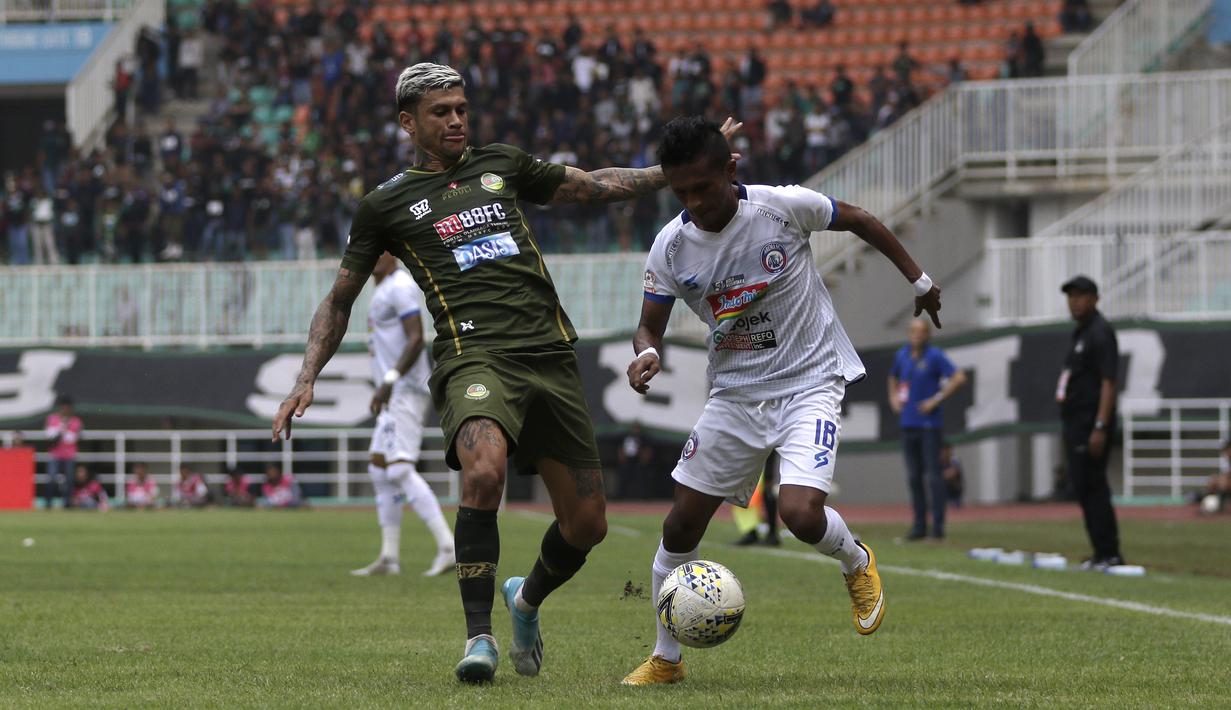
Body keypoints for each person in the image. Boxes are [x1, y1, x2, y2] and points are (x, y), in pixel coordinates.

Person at [270, 62, 739, 684]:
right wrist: (307, 376)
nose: (457, 119)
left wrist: (677, 173)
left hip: (549, 354)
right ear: (408, 122)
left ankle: (524, 601)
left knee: (588, 525)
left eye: (462, 107)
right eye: (441, 111)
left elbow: (593, 185)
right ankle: (479, 639)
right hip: (474, 357)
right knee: (483, 471)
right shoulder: (387, 203)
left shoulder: (503, 164)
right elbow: (339, 299)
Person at [622, 116, 943, 685]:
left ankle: (856, 561)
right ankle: (666, 659)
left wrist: (918, 282)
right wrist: (646, 353)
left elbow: (861, 220)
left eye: (704, 186)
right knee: (680, 528)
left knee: (798, 513)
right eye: (682, 192)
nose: (695, 201)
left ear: (731, 168)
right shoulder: (670, 247)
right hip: (735, 394)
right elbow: (649, 326)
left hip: (810, 382)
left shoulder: (781, 207)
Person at [351, 251, 455, 578]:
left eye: (382, 247)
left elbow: (415, 339)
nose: (376, 254)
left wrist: (389, 381)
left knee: (398, 470)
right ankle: (390, 557)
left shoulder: (400, 286)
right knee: (379, 468)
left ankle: (448, 547)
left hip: (405, 390)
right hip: (392, 392)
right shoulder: (381, 289)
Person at [1056, 275, 1124, 569]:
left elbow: (1109, 382)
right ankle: (1099, 551)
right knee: (1083, 487)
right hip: (1076, 422)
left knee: (1094, 486)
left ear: (1095, 299)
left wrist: (1100, 426)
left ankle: (1110, 552)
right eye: (1071, 296)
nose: (1075, 302)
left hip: (1090, 423)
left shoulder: (1100, 332)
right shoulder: (1081, 333)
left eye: (1080, 296)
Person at [888, 319, 967, 540]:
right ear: (908, 333)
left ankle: (938, 527)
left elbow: (959, 378)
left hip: (929, 426)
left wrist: (936, 399)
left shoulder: (935, 356)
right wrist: (893, 397)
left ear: (928, 335)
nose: (917, 335)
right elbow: (892, 377)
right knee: (914, 477)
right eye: (913, 331)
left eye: (922, 331)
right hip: (908, 424)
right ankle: (919, 526)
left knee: (934, 477)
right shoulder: (901, 355)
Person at [44, 395, 82, 509]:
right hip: (55, 454)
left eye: (68, 407)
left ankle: (67, 503)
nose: (65, 410)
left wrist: (63, 430)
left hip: (69, 454)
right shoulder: (52, 419)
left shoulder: (76, 421)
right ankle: (48, 503)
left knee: (69, 480)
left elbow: (72, 438)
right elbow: (49, 435)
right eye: (64, 407)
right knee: (51, 478)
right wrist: (61, 430)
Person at [940, 442, 964, 509]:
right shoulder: (939, 461)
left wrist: (939, 475)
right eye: (944, 450)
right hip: (942, 493)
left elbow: (952, 473)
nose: (946, 452)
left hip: (954, 492)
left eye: (948, 450)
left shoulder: (954, 460)